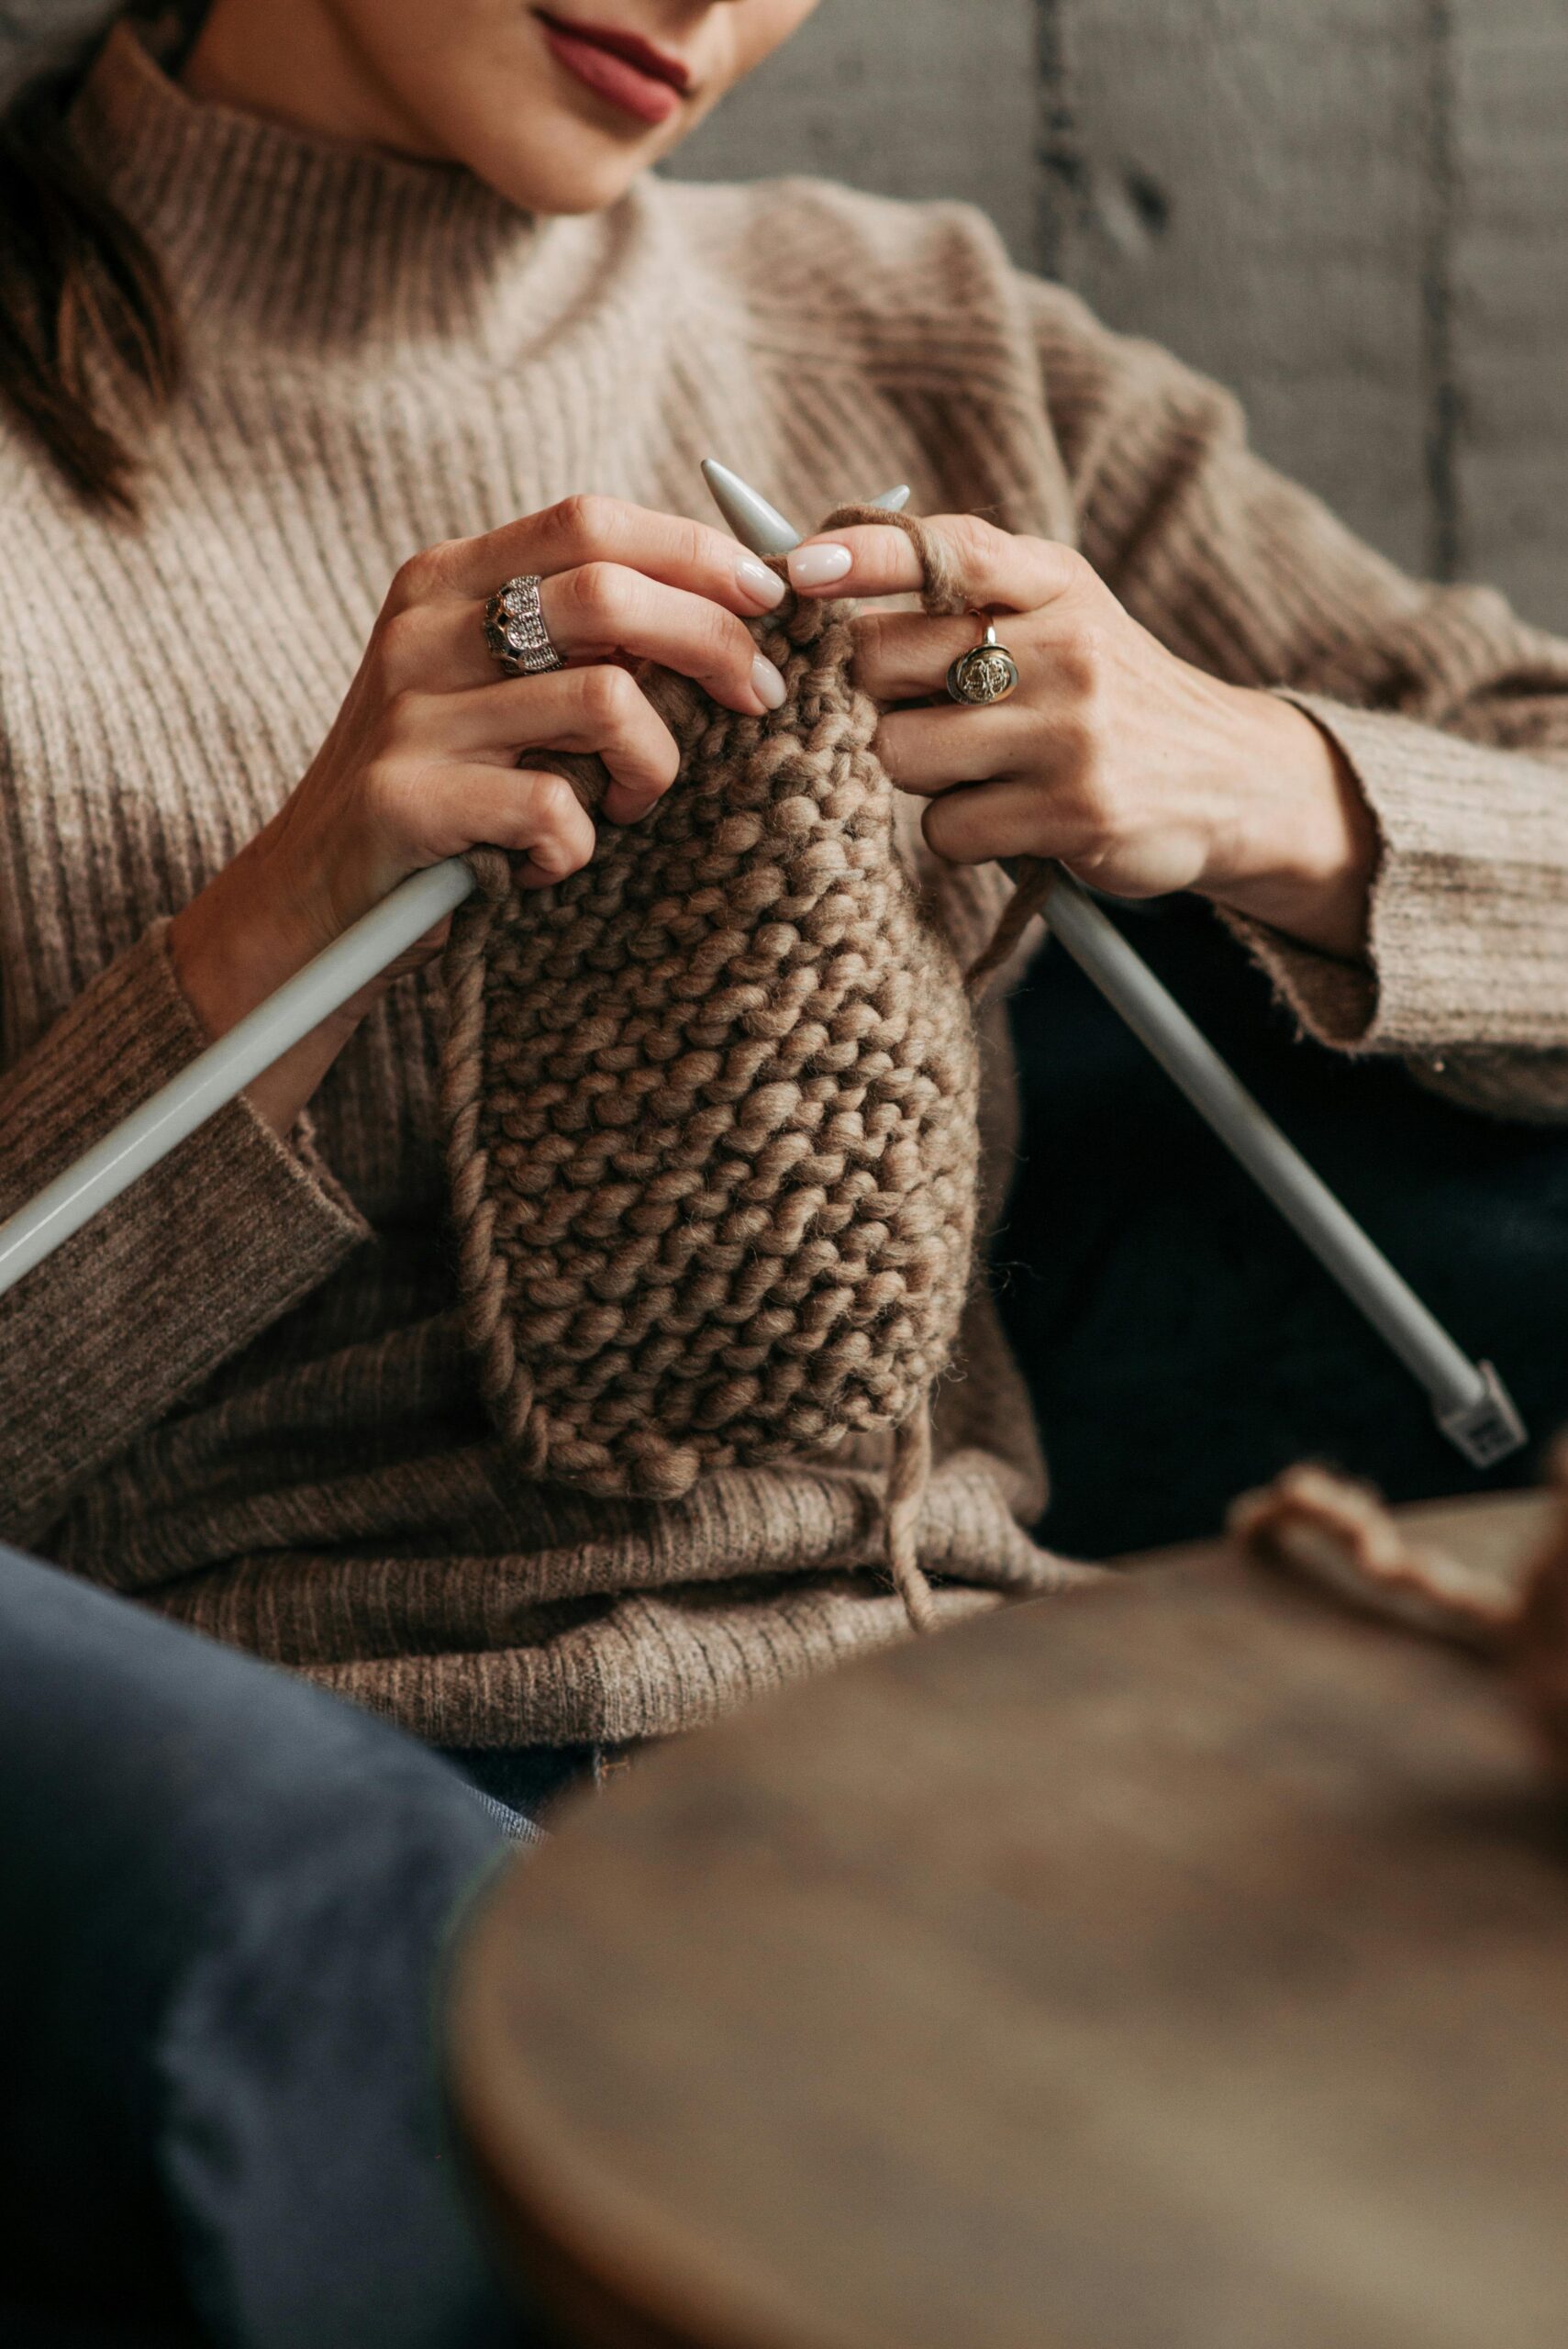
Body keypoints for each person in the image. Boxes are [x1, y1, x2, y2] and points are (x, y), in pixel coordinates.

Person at [3, 0, 1568, 1784]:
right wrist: (277, 922)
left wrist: (1256, 776)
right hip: (267, 1817)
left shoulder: (924, 340)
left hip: (969, 1746)